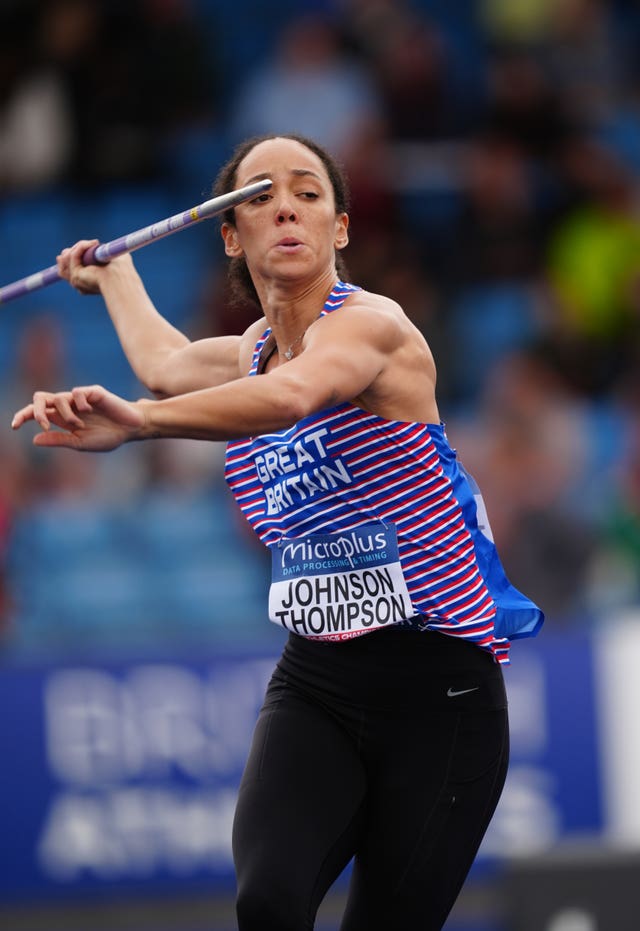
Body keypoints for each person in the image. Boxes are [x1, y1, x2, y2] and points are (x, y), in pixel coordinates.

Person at [11, 133, 544, 930]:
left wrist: (142, 425)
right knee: (267, 900)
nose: (285, 205)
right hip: (318, 683)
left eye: (308, 192)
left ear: (340, 228)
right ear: (232, 234)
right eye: (259, 195)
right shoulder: (253, 350)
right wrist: (113, 274)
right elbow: (165, 361)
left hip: (442, 692)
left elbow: (292, 396)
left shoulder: (375, 327)